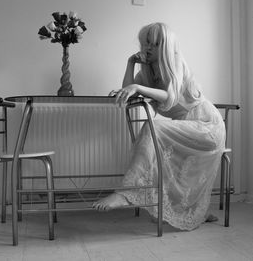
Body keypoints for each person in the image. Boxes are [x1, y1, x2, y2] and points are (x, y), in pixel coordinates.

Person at [92, 22, 226, 231]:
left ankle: (126, 193)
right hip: (186, 129)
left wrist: (138, 87)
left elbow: (170, 98)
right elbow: (127, 89)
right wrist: (130, 64)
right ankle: (195, 211)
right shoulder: (147, 74)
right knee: (158, 147)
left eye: (154, 44)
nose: (148, 48)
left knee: (152, 127)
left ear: (165, 46)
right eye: (145, 43)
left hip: (207, 128)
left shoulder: (176, 65)